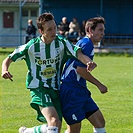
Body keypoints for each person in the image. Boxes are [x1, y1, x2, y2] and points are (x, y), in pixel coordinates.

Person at [1, 12, 97, 133]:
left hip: (55, 89)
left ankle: (27, 131)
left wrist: (88, 62)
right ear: (41, 31)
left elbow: (77, 53)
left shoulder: (61, 42)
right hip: (39, 88)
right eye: (49, 29)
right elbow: (9, 58)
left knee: (55, 127)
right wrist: (4, 70)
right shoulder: (32, 46)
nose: (54, 32)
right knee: (54, 121)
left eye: (55, 28)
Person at [60, 17, 108, 133]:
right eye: (100, 30)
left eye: (103, 30)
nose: (102, 34)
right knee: (74, 129)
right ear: (90, 30)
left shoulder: (85, 42)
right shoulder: (87, 44)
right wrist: (99, 85)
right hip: (71, 91)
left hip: (80, 90)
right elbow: (80, 70)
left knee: (99, 122)